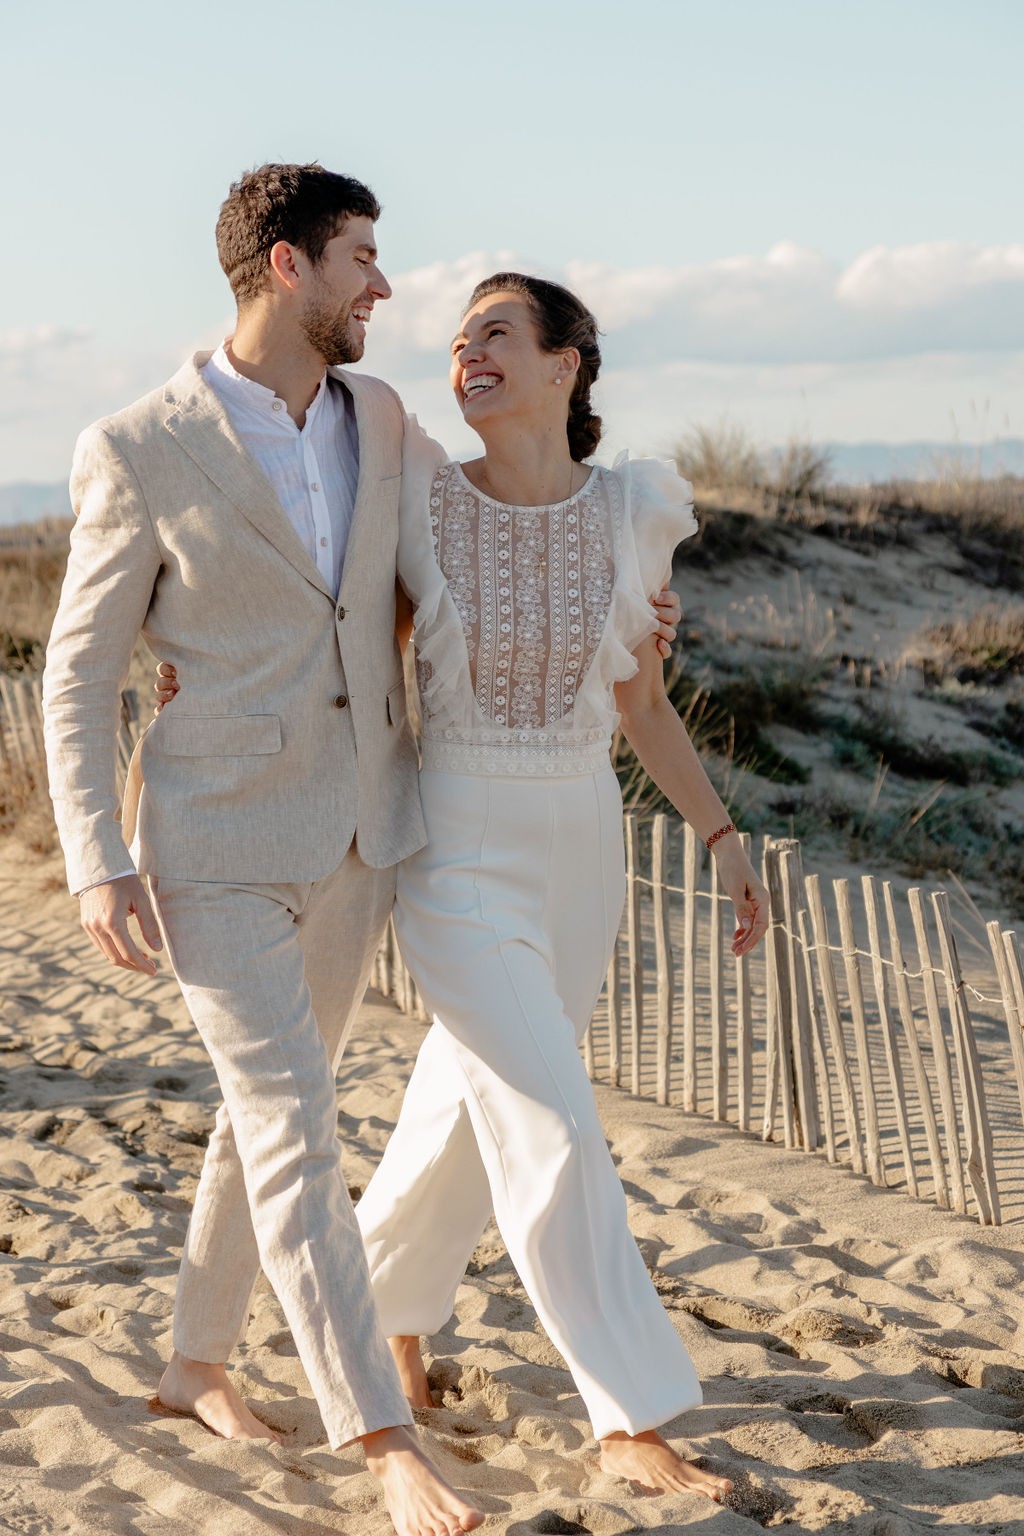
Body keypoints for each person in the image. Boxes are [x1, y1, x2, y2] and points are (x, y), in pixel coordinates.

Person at [164, 273, 770, 1500]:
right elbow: (318, 620)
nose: (467, 351)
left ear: (566, 365)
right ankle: (628, 1414)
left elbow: (640, 703)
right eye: (456, 339)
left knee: (466, 1103)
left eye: (496, 331)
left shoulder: (632, 512)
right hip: (451, 843)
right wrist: (208, 680)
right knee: (550, 1115)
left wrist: (718, 835)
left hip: (581, 844)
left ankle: (388, 1307)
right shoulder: (420, 501)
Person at [42, 162, 485, 1536]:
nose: (384, 285)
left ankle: (193, 1364)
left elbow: (465, 551)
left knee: (267, 1112)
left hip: (358, 825)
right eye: (361, 256)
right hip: (213, 840)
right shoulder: (136, 446)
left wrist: (629, 611)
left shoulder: (382, 413)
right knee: (299, 1126)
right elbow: (77, 673)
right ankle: (384, 1441)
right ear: (286, 268)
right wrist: (94, 859)